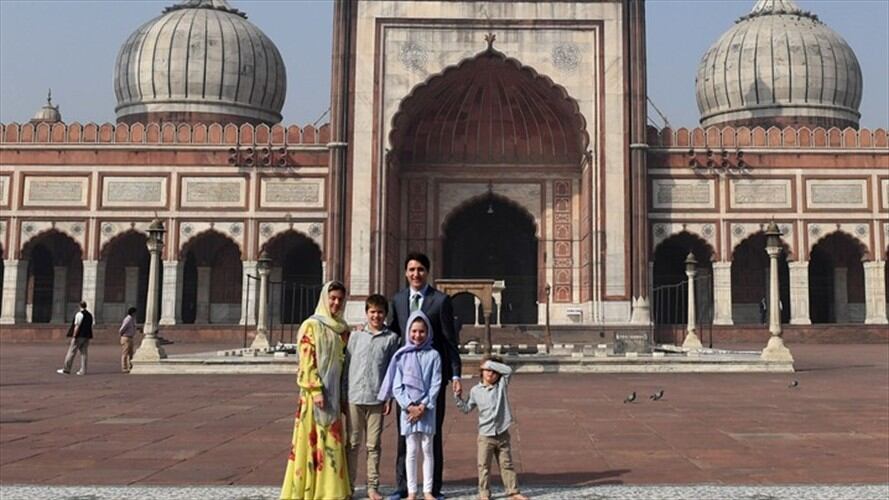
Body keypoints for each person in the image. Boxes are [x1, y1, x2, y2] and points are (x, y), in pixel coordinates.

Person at [388, 252, 462, 499]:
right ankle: (404, 487)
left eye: (420, 269)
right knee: (404, 437)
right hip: (406, 378)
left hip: (432, 377)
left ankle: (433, 488)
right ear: (405, 273)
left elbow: (451, 341)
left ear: (427, 272)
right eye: (411, 270)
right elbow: (393, 335)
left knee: (433, 435)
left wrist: (456, 374)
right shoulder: (398, 300)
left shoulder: (440, 301)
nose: (415, 274)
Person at [281, 281, 351, 500]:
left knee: (332, 440)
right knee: (315, 440)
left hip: (334, 393)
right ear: (324, 298)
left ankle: (331, 490)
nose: (336, 303)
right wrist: (315, 389)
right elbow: (306, 360)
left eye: (340, 299)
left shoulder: (341, 327)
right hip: (315, 396)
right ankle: (313, 490)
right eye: (332, 298)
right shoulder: (312, 325)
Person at [378, 311, 441, 500]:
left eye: (421, 331)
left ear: (427, 332)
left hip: (426, 410)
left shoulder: (434, 355)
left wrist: (422, 406)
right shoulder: (402, 355)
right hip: (408, 410)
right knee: (411, 450)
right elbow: (397, 386)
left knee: (427, 448)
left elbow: (435, 383)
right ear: (408, 332)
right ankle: (412, 491)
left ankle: (428, 490)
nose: (417, 335)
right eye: (413, 331)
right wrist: (409, 406)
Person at [344, 294, 400, 500]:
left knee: (373, 445)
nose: (376, 316)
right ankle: (348, 486)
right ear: (366, 313)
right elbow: (347, 366)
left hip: (377, 397)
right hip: (354, 396)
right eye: (372, 312)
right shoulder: (356, 336)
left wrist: (389, 397)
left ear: (385, 314)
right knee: (352, 443)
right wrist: (344, 394)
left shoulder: (391, 339)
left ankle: (372, 487)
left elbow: (391, 370)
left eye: (380, 312)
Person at [453, 356, 528, 500]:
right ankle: (484, 493)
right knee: (484, 466)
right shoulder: (476, 390)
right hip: (485, 435)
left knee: (507, 464)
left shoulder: (501, 385)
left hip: (502, 432)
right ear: (481, 371)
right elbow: (466, 408)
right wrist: (458, 397)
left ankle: (513, 491)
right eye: (487, 370)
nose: (490, 373)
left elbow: (508, 371)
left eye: (494, 371)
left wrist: (489, 363)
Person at [57, 301, 93, 376]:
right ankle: (83, 370)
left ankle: (66, 369)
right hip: (87, 336)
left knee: (71, 352)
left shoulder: (79, 314)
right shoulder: (90, 315)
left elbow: (77, 326)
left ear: (80, 306)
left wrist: (74, 336)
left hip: (79, 336)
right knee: (84, 353)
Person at [119, 307, 138, 373]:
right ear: (133, 313)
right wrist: (122, 334)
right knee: (125, 353)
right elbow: (122, 328)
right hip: (126, 337)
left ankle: (130, 366)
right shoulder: (128, 319)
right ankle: (124, 367)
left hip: (130, 337)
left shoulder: (132, 319)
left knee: (131, 353)